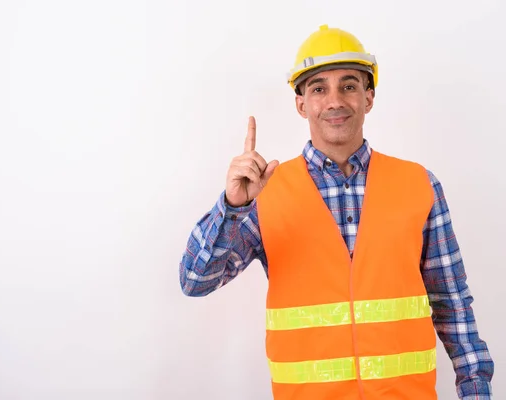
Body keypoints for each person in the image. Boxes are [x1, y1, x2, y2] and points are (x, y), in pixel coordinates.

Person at [178, 24, 494, 400]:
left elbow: (453, 306)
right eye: (318, 88)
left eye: (349, 85)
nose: (334, 101)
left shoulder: (420, 185)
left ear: (369, 97)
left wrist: (477, 392)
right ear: (301, 104)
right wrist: (232, 207)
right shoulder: (264, 192)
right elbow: (195, 281)